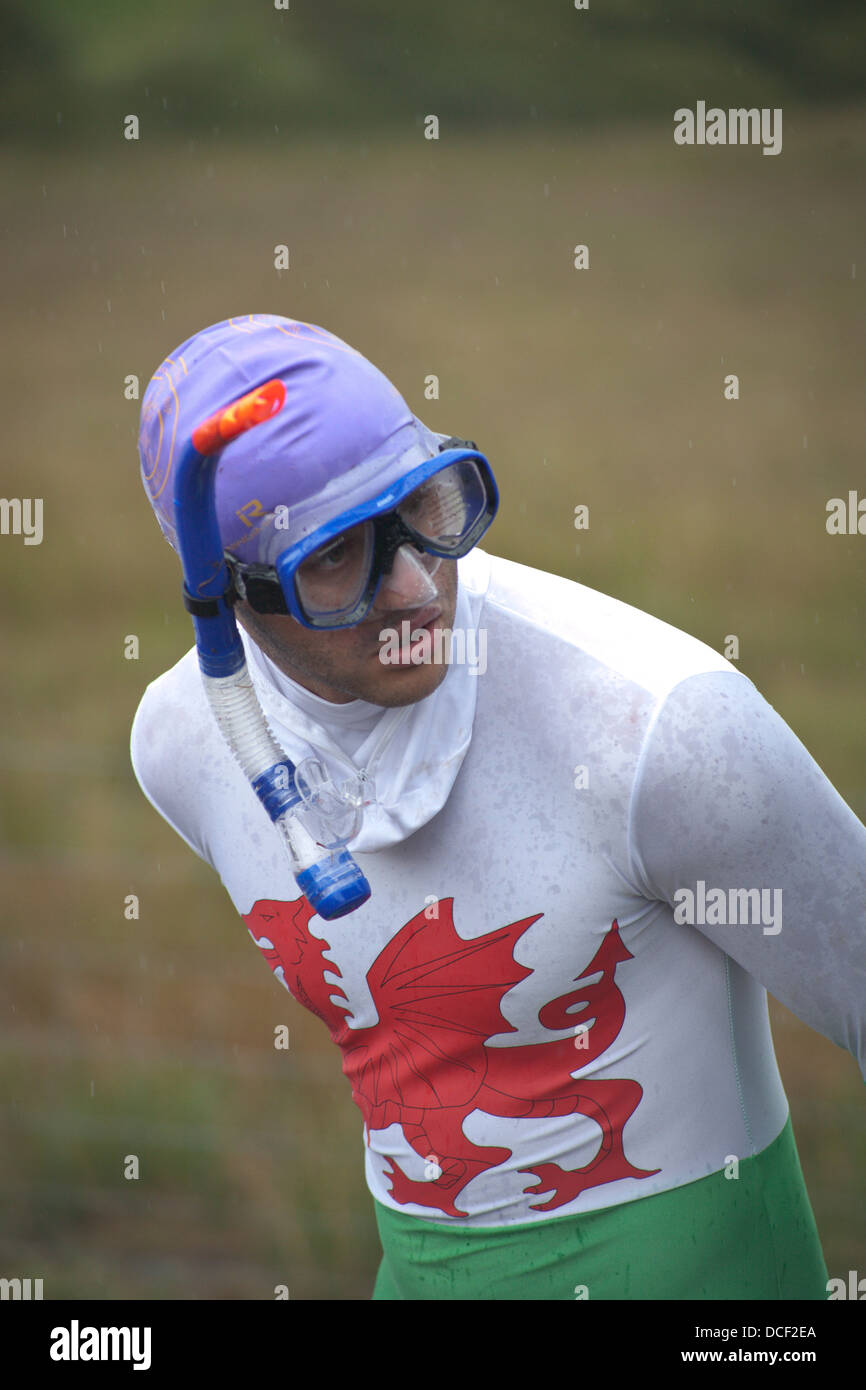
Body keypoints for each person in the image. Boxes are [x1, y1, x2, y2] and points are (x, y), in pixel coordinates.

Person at [131, 313, 865, 1301]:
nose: (412, 587)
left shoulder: (658, 730)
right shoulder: (180, 744)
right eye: (335, 556)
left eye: (428, 506)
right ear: (221, 596)